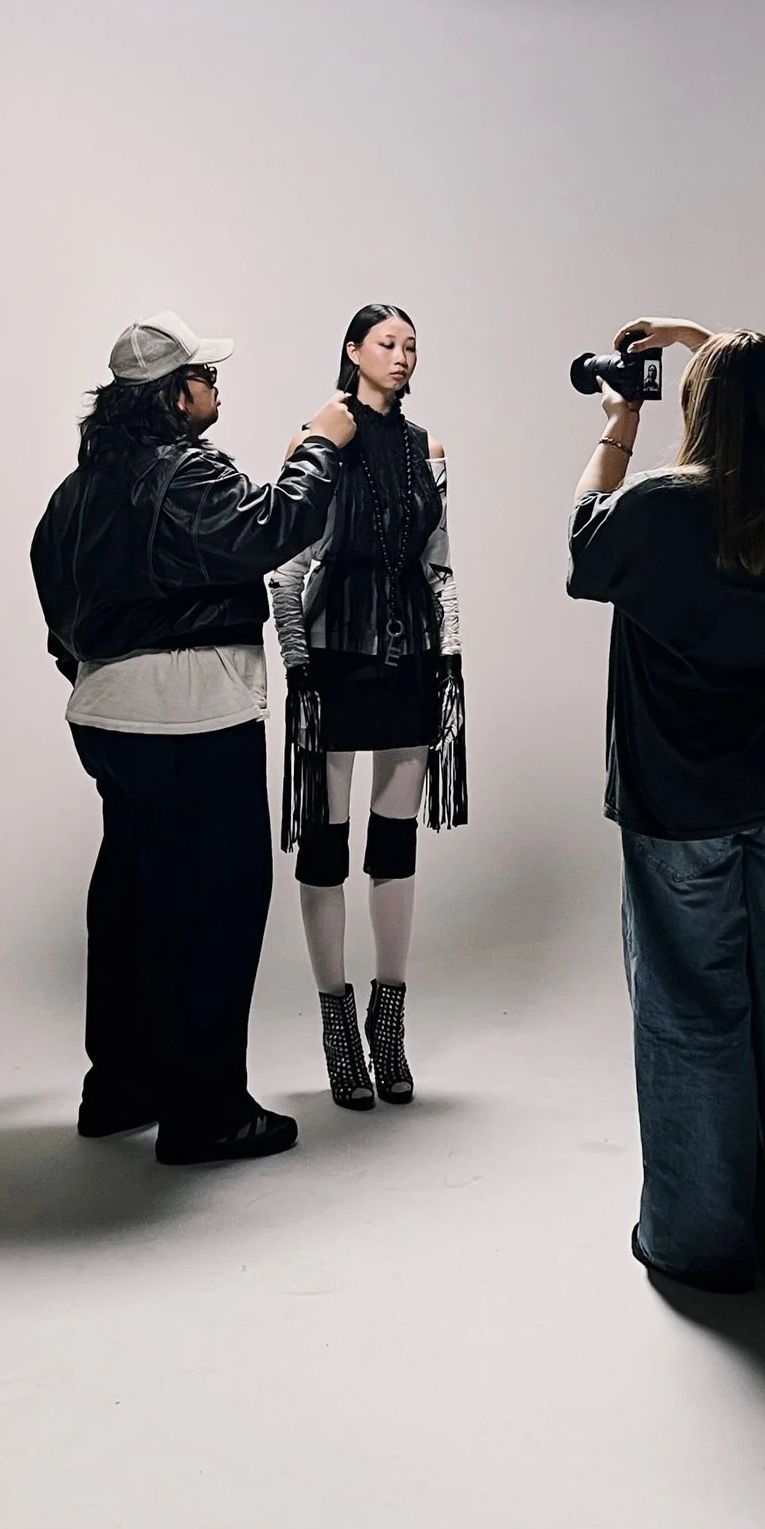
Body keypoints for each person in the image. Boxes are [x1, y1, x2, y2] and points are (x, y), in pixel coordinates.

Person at [30, 310, 357, 1165]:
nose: (218, 387)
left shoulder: (77, 489)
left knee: (133, 898)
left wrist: (97, 672)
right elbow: (269, 533)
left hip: (108, 720)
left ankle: (122, 1086)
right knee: (212, 907)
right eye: (206, 376)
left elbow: (54, 597)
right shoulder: (183, 473)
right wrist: (320, 446)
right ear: (176, 396)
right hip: (190, 718)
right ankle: (206, 1113)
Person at [566, 316, 765, 1292]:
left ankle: (695, 1237)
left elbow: (579, 552)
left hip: (678, 797)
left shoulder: (655, 507)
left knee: (691, 1010)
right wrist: (710, 340)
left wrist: (621, 418)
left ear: (695, 408)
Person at [269, 305, 466, 1111]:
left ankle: (389, 1024)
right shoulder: (319, 438)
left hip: (411, 660)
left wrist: (450, 657)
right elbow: (284, 571)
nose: (402, 354)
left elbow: (439, 566)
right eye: (386, 342)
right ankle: (335, 1024)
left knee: (394, 846)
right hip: (334, 660)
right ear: (352, 352)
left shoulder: (429, 450)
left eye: (412, 343)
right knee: (325, 846)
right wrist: (299, 667)